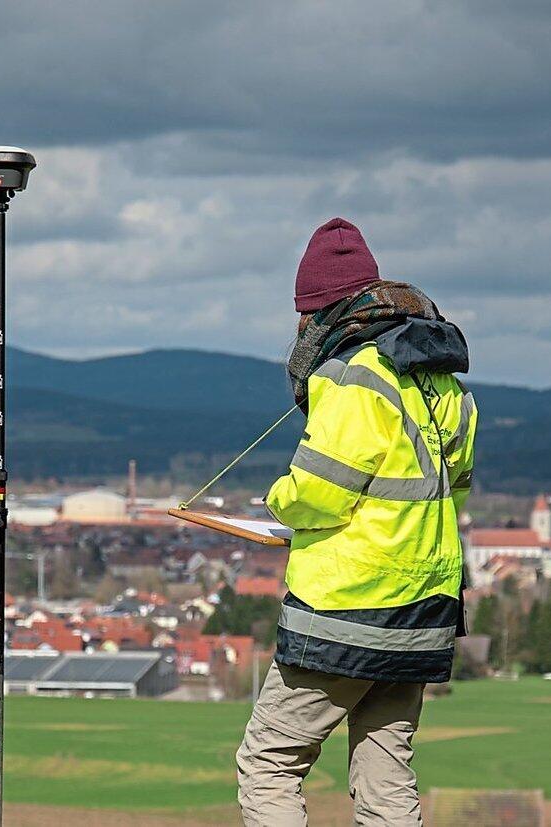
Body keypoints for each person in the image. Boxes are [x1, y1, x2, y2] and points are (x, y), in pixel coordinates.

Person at [236, 218, 477, 825]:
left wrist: (278, 501)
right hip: (426, 605)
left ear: (318, 312)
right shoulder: (442, 378)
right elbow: (453, 488)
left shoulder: (352, 374)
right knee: (386, 771)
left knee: (269, 763)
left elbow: (319, 492)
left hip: (347, 607)